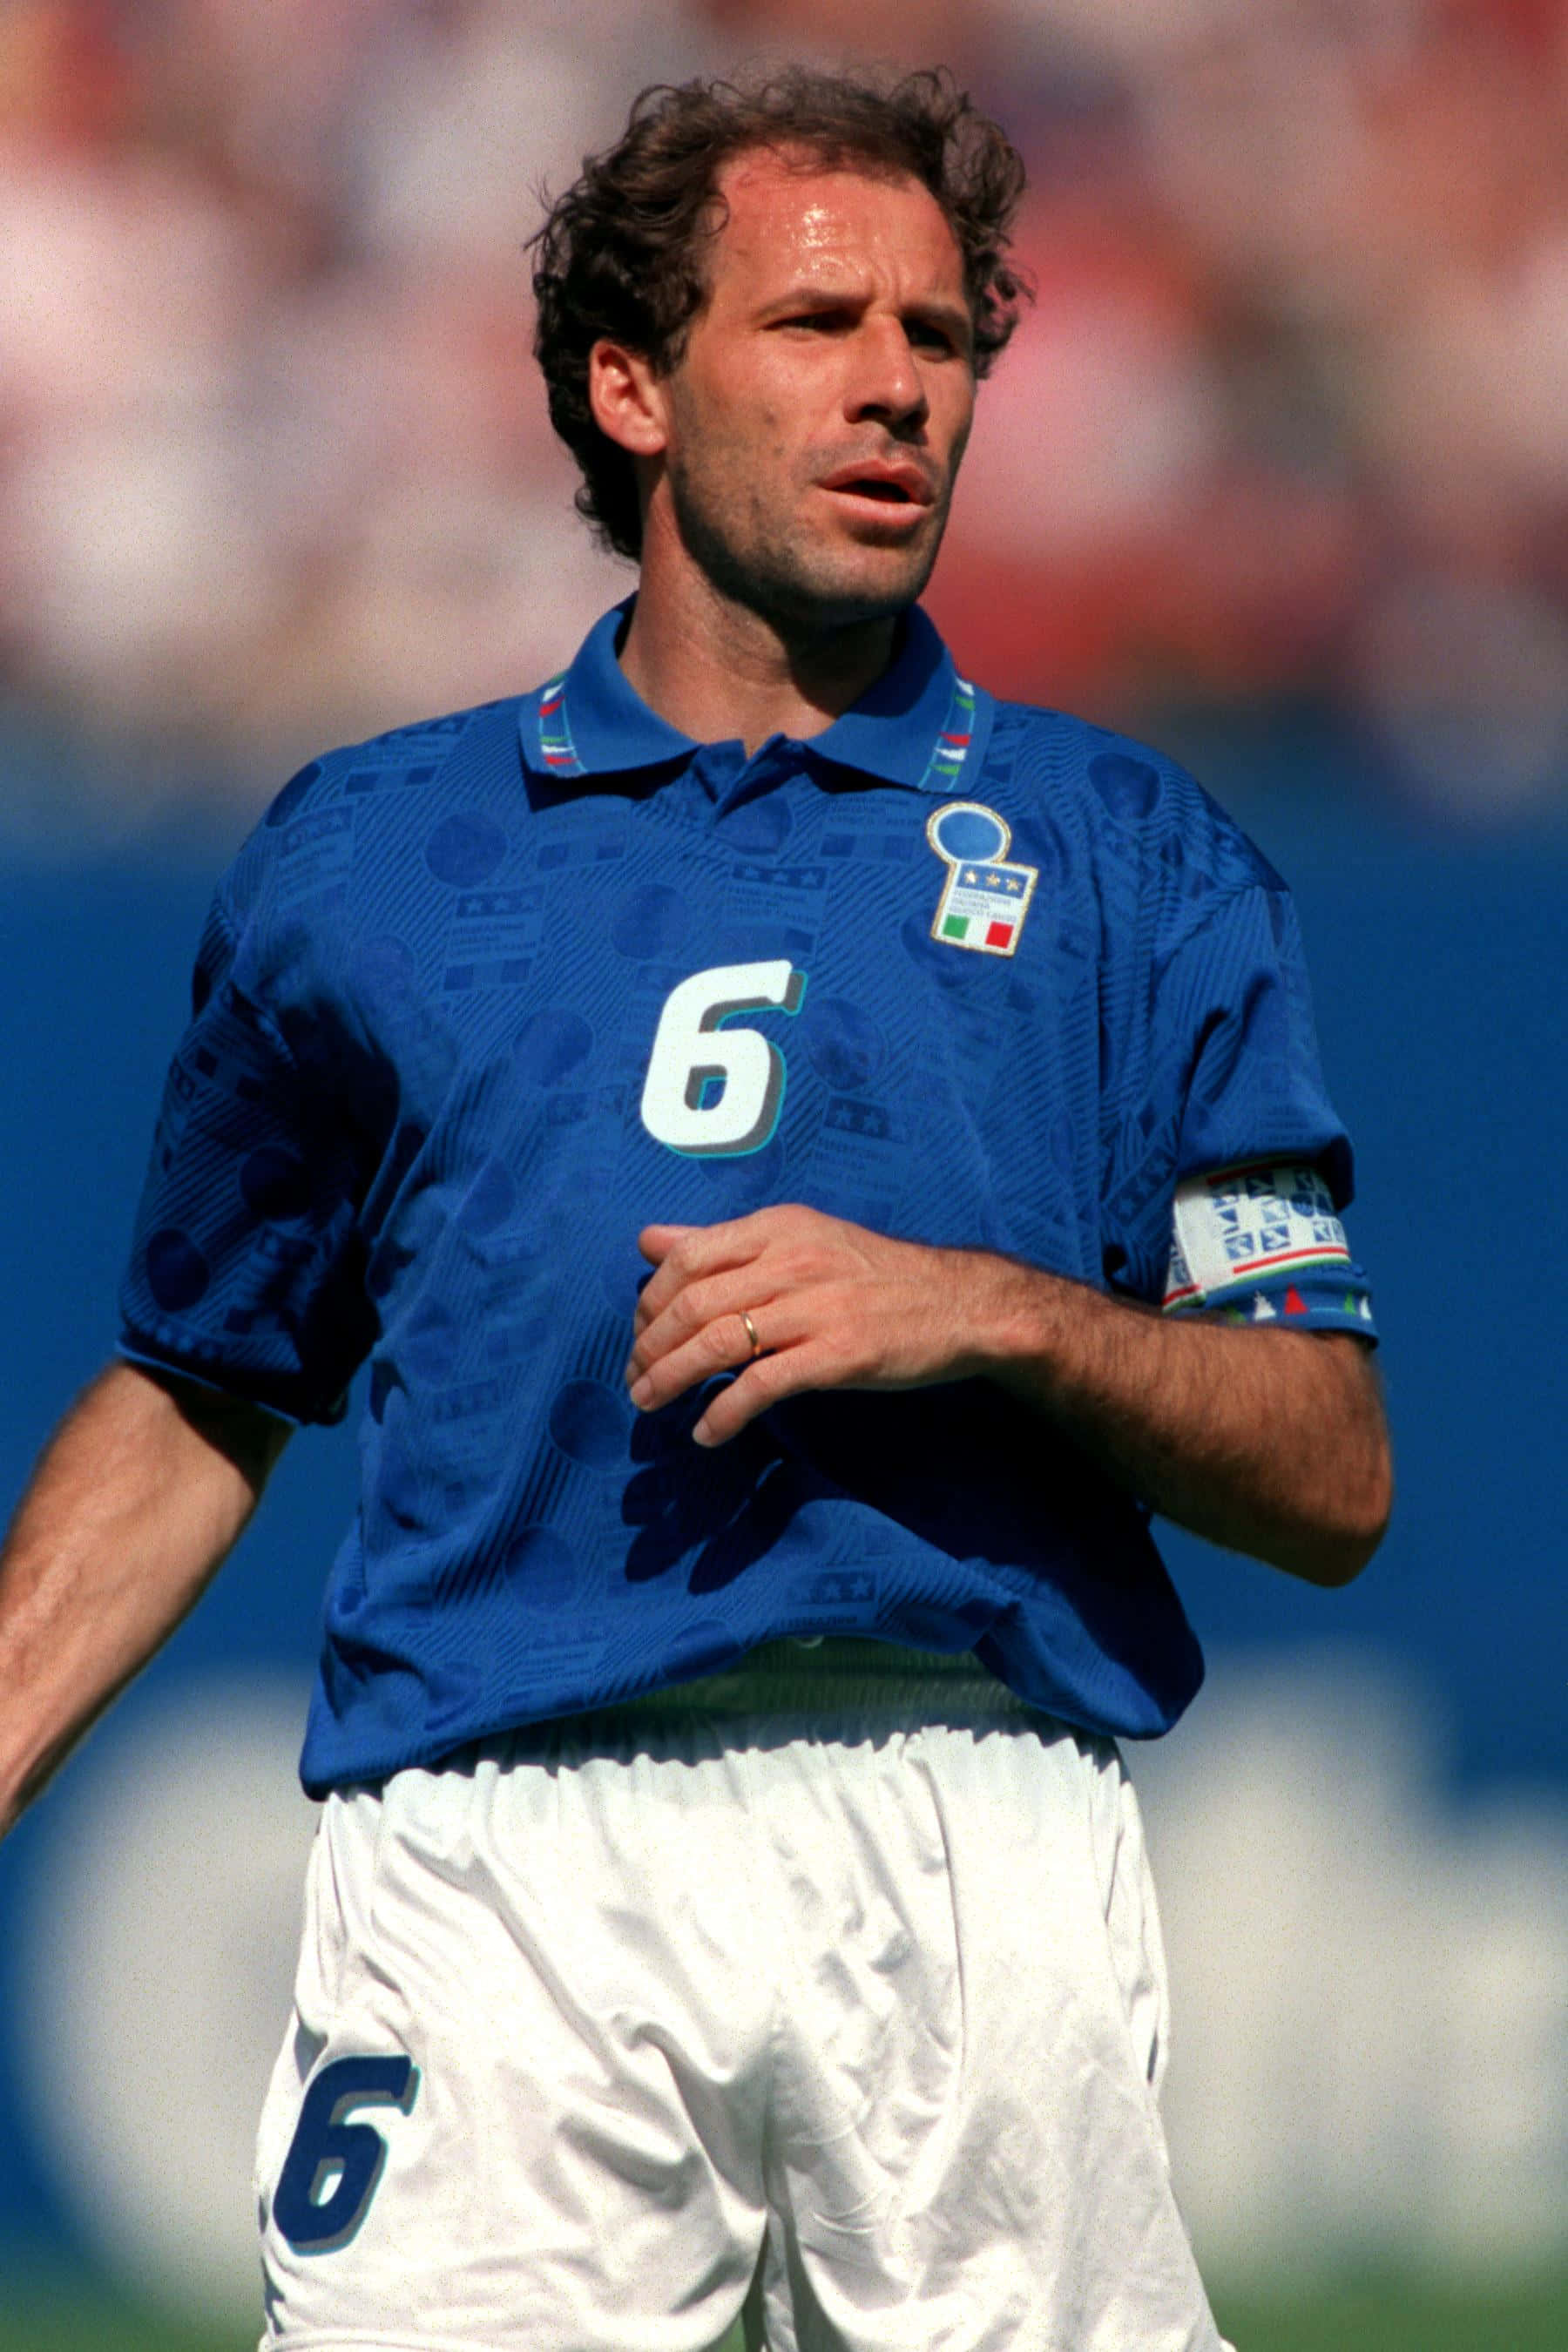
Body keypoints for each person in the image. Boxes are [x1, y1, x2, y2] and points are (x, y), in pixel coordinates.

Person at [0, 64, 1390, 2352]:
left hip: (971, 1848)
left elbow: (1331, 1471)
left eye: (940, 337)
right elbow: (199, 1386)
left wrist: (997, 1313)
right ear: (631, 386)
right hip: (501, 1860)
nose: (897, 388)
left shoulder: (1139, 861)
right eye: (819, 324)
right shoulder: (370, 856)